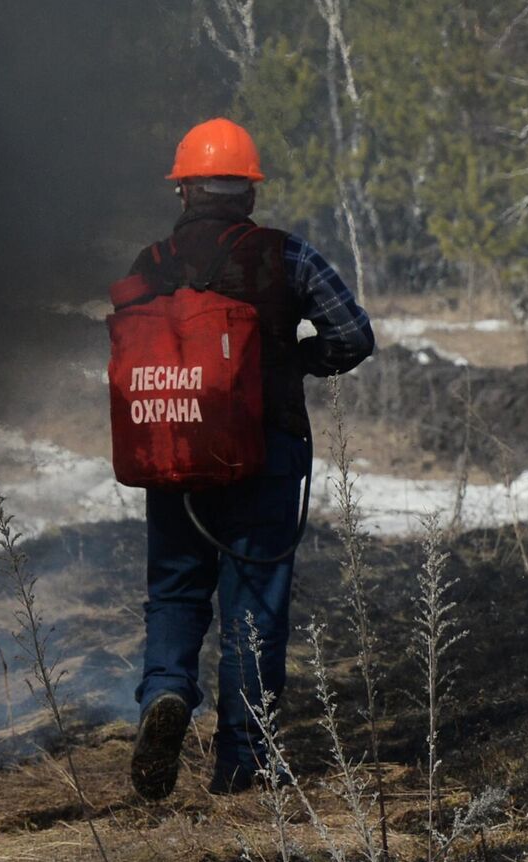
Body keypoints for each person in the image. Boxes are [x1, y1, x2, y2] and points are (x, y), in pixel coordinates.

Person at [129, 118, 375, 799]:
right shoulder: (287, 256)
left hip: (172, 455)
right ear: (250, 194)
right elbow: (354, 336)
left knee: (175, 593)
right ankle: (242, 765)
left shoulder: (149, 263)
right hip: (265, 455)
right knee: (253, 613)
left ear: (182, 190)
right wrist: (293, 362)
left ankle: (164, 695)